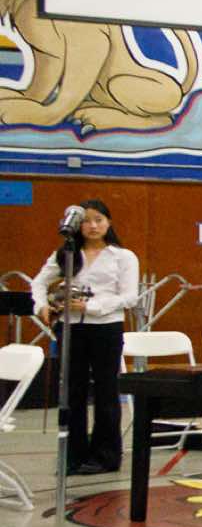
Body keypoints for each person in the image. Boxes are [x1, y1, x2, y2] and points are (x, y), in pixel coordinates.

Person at [32, 199, 137, 476]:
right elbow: (39, 282)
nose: (92, 226)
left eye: (98, 220)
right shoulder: (67, 254)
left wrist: (91, 307)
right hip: (71, 328)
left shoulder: (123, 257)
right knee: (72, 391)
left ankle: (106, 455)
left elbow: (129, 297)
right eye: (87, 221)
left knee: (106, 391)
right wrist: (42, 306)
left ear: (108, 223)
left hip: (106, 328)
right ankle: (73, 455)